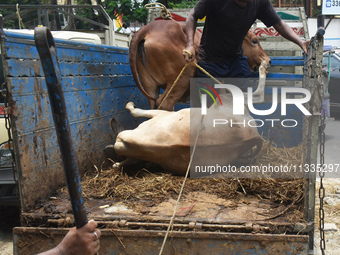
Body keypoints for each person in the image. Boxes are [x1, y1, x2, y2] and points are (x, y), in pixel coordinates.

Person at [183, 0, 309, 79]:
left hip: (235, 60)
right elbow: (193, 15)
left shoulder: (260, 3)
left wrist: (300, 42)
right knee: (207, 112)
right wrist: (190, 44)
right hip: (210, 61)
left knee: (239, 108)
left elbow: (279, 24)